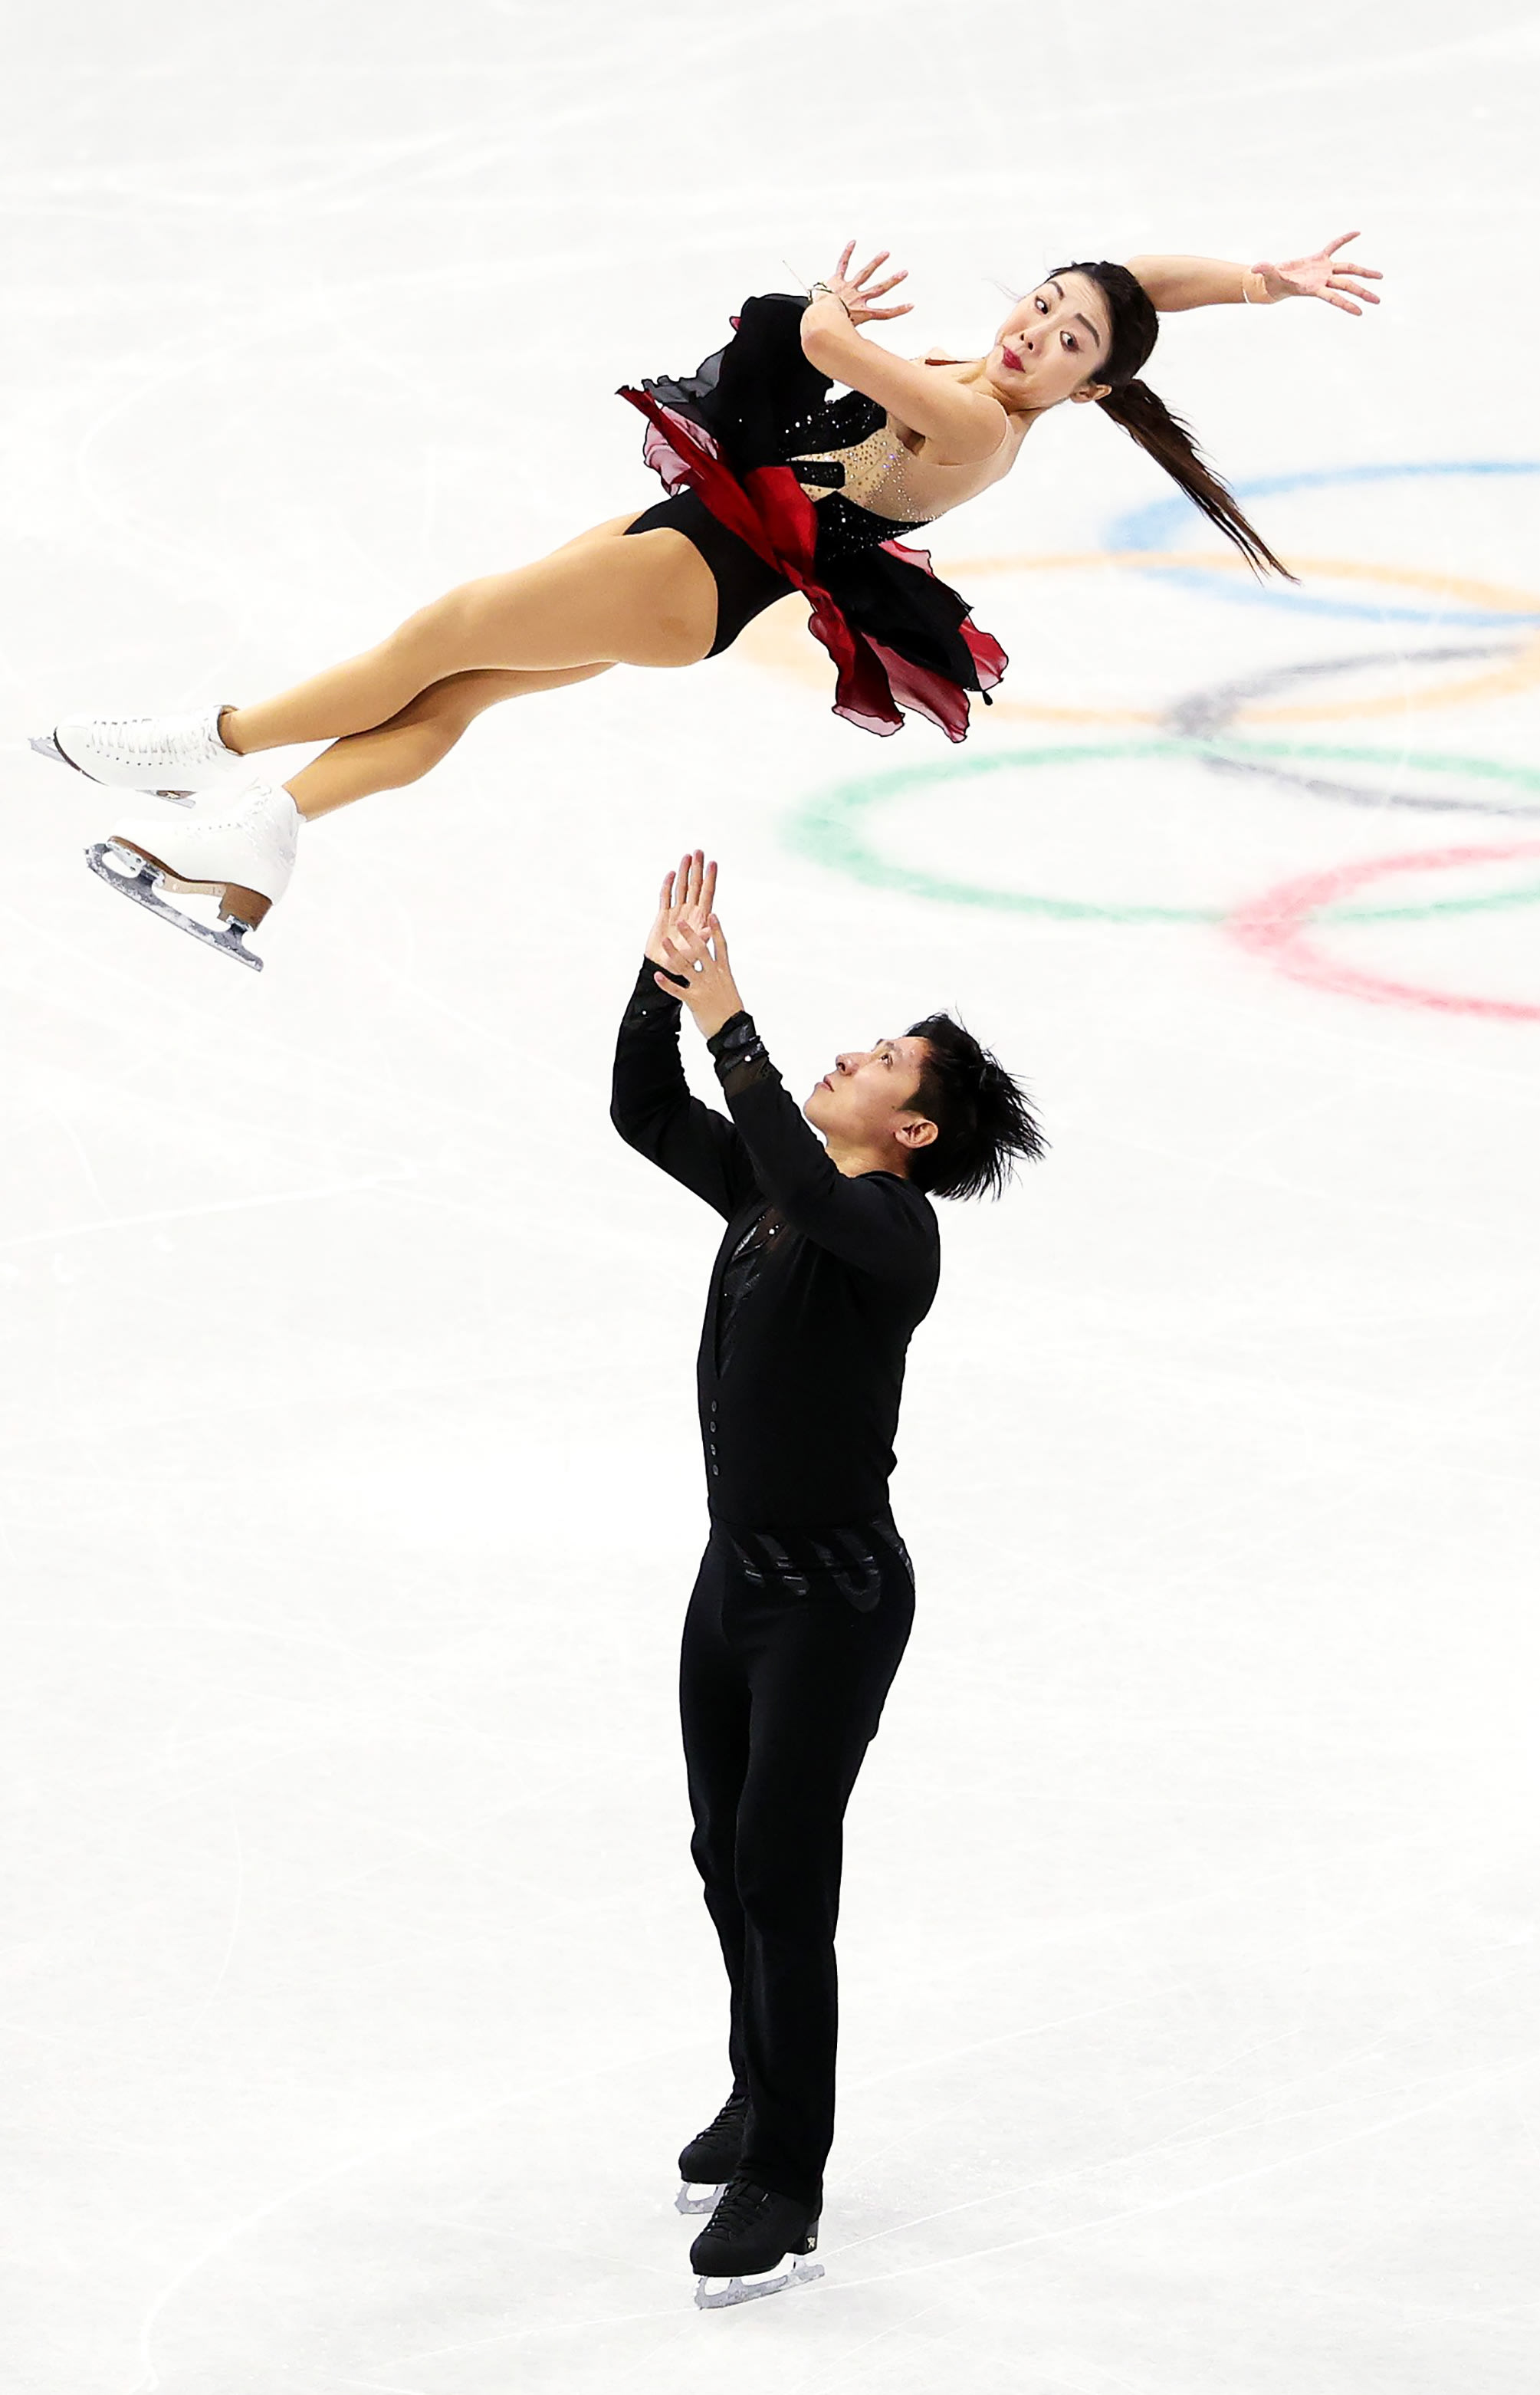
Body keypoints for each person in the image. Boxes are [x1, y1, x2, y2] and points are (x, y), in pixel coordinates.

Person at [33, 235, 1382, 967]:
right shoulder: (1013, 362)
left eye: (1072, 341)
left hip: (702, 572)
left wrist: (836, 312)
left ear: (1087, 388)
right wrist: (1263, 281)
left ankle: (200, 750)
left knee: (439, 634)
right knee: (454, 688)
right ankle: (263, 836)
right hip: (697, 541)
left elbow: (821, 344)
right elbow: (1147, 278)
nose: (1039, 329)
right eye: (1044, 301)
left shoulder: (979, 425)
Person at [612, 851, 1043, 2308]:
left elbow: (791, 1160)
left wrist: (738, 1022)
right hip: (732, 1585)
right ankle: (756, 2087)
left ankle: (786, 2182)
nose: (852, 1052)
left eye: (882, 1060)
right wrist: (663, 981)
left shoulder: (888, 1233)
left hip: (835, 1605)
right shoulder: (781, 1189)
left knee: (786, 1881)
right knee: (721, 1852)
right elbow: (641, 1110)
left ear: (911, 1127)